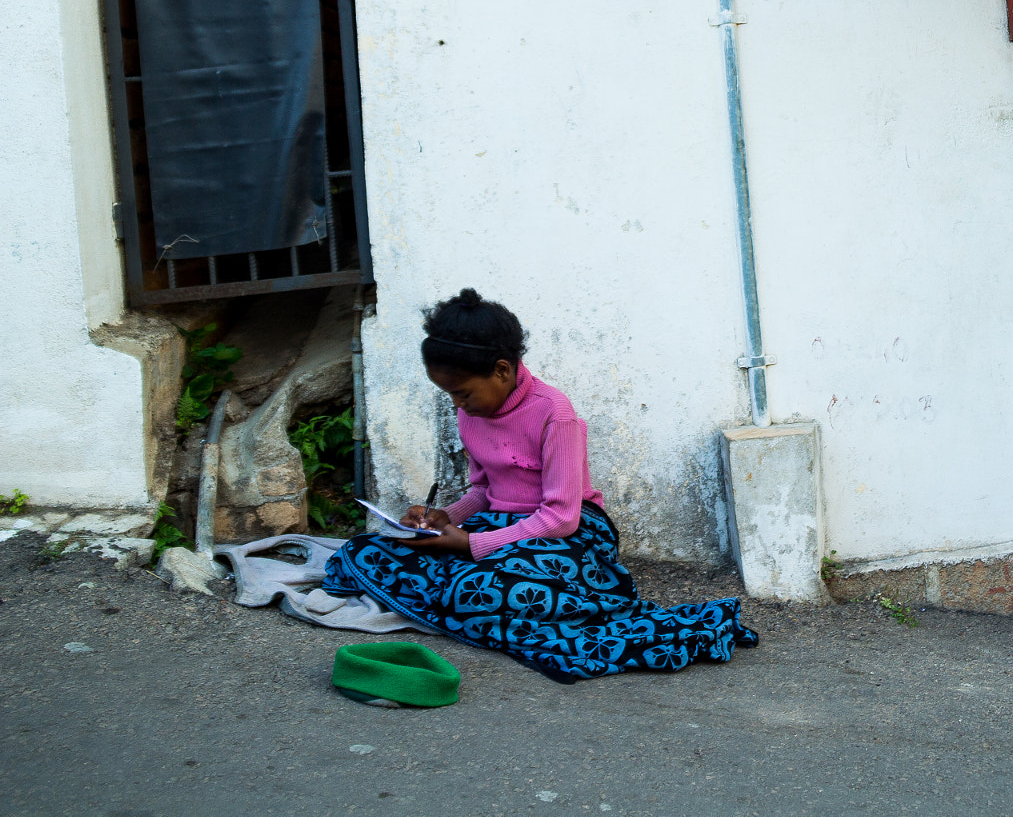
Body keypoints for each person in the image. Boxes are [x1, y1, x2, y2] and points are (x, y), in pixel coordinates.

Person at [322, 288, 756, 680]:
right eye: (448, 395)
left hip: (569, 534)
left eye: (463, 393)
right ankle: (463, 585)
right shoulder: (470, 414)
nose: (457, 404)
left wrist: (468, 545)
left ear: (502, 370)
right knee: (365, 549)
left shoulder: (555, 414)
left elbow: (561, 517)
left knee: (485, 590)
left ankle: (471, 590)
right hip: (498, 525)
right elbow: (482, 491)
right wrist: (443, 519)